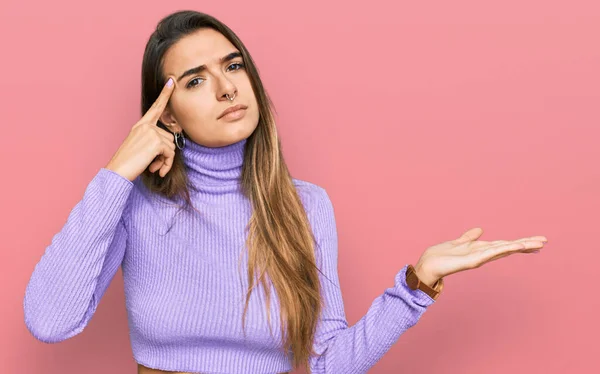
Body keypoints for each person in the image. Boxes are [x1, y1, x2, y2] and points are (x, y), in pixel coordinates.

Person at [23, 9, 548, 374]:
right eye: (195, 80)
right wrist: (116, 174)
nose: (227, 87)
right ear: (167, 114)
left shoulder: (304, 206)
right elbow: (50, 320)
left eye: (233, 66)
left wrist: (418, 285)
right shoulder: (135, 205)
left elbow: (328, 362)